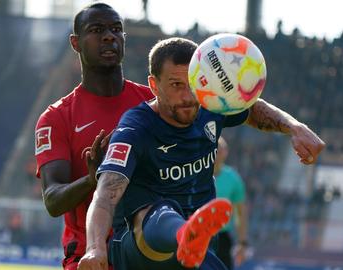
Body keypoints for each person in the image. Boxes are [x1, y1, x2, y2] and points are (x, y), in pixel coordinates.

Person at [77, 37, 325, 270]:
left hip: (199, 251)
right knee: (159, 209)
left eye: (193, 84)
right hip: (141, 251)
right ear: (154, 85)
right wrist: (95, 248)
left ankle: (190, 236)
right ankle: (183, 232)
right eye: (176, 85)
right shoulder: (135, 128)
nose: (187, 96)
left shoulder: (210, 104)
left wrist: (294, 127)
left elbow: (251, 109)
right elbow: (105, 193)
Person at [34, 2, 154, 270]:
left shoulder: (152, 103)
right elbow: (53, 201)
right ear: (75, 43)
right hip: (91, 258)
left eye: (116, 29)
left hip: (148, 252)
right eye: (97, 29)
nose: (109, 36)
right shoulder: (56, 118)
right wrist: (93, 179)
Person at [213, 137, 248, 270]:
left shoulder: (233, 178)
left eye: (222, 149)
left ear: (226, 153)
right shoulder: (198, 174)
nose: (219, 152)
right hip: (197, 234)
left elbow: (240, 213)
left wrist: (242, 242)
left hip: (222, 237)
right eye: (217, 149)